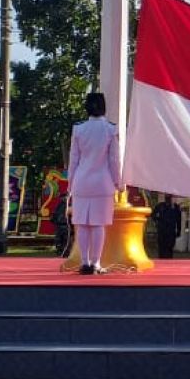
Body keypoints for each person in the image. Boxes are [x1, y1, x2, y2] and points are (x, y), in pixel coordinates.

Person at [67, 91, 122, 275]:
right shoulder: (110, 129)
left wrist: (70, 184)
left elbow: (73, 159)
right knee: (99, 224)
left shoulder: (79, 129)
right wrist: (118, 182)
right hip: (103, 183)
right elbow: (114, 160)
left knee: (82, 224)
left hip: (81, 182)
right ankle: (96, 263)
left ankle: (84, 262)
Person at [150, 194, 182, 259]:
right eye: (167, 197)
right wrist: (157, 220)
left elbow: (179, 220)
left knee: (169, 249)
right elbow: (153, 215)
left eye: (170, 198)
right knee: (162, 249)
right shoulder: (160, 206)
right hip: (162, 230)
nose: (169, 199)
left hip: (171, 231)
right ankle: (162, 262)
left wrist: (179, 231)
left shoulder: (176, 207)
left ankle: (169, 263)